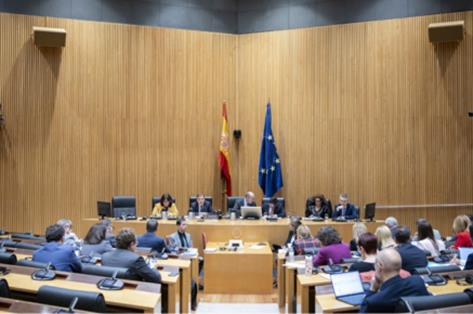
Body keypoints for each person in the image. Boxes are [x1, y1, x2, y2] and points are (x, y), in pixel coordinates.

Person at [360, 248, 430, 313]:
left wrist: (372, 289)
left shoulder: (373, 301)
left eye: (375, 265)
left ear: (380, 266)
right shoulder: (417, 281)